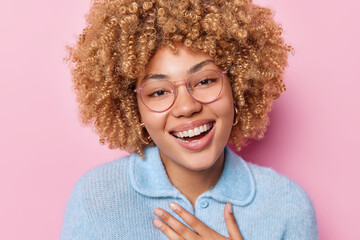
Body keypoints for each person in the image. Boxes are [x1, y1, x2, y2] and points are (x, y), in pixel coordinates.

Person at [61, 0, 318, 239]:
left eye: (205, 80)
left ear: (237, 84)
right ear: (132, 106)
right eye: (159, 91)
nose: (187, 107)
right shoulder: (95, 199)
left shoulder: (288, 206)